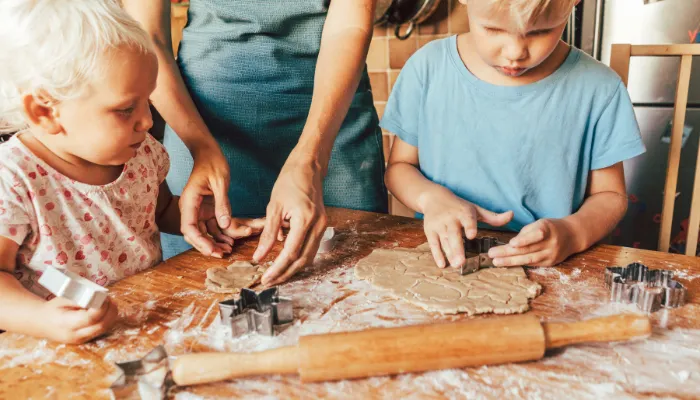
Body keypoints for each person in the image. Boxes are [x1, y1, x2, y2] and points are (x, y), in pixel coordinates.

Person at [0, 0, 263, 343]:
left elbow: (158, 209)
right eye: (126, 109)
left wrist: (201, 217)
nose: (148, 121)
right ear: (45, 112)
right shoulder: (14, 178)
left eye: (148, 102)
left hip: (141, 324)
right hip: (54, 350)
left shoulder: (141, 153)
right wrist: (40, 320)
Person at [123, 0, 388, 287]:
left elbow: (349, 25)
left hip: (332, 120)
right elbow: (147, 36)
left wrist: (312, 158)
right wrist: (202, 149)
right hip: (199, 125)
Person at [382, 0, 646, 269]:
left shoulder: (600, 88)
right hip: (444, 261)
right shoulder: (427, 69)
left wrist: (573, 233)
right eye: (493, 29)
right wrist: (430, 198)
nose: (515, 53)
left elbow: (610, 195)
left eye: (540, 32)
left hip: (551, 269)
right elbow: (400, 168)